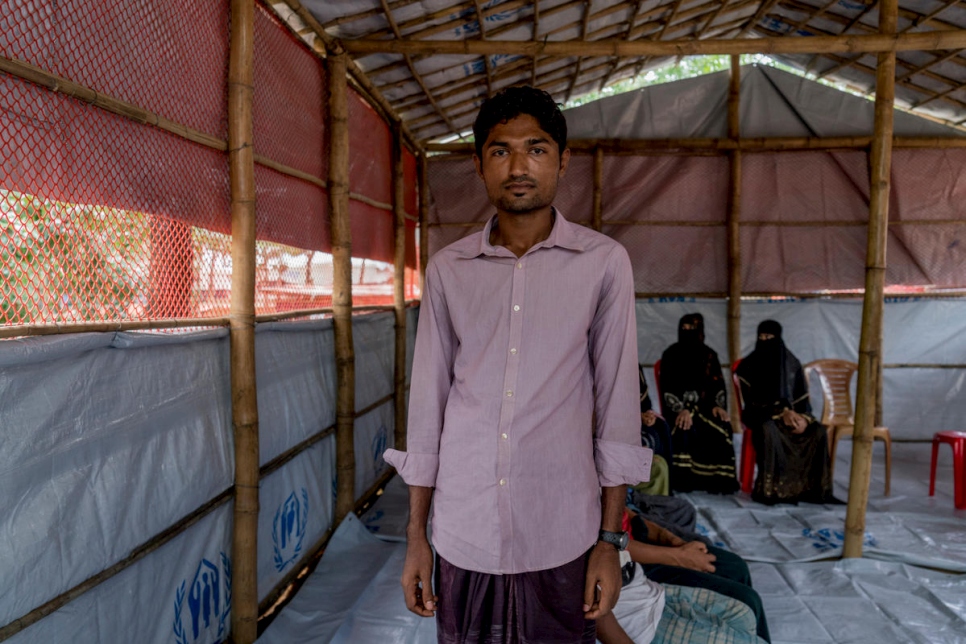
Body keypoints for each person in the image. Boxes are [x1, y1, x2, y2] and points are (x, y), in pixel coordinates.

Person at [384, 86, 652, 644]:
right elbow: (428, 405)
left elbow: (617, 408)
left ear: (563, 161)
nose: (519, 166)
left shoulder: (603, 264)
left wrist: (611, 541)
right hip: (464, 532)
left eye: (536, 148)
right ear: (480, 164)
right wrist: (417, 536)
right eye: (501, 151)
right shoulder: (448, 270)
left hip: (561, 531)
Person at [736, 320, 836, 506]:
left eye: (770, 337)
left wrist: (803, 419)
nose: (765, 341)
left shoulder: (792, 364)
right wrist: (781, 412)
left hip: (792, 415)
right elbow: (751, 402)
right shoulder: (749, 366)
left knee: (818, 431)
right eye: (761, 337)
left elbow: (802, 401)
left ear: (779, 338)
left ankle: (807, 488)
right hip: (761, 415)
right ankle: (773, 489)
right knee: (770, 429)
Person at [658, 313, 739, 494]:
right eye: (684, 328)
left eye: (692, 329)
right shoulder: (670, 355)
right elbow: (667, 388)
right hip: (678, 410)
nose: (687, 332)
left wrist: (718, 406)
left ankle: (715, 481)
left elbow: (717, 383)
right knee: (684, 427)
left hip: (706, 409)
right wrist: (682, 410)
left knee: (722, 427)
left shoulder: (709, 355)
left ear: (700, 331)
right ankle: (685, 481)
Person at [636, 365, 673, 495]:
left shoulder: (634, 364)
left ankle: (666, 491)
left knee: (661, 427)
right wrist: (636, 416)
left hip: (635, 417)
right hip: (616, 422)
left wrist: (647, 414)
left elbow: (645, 399)